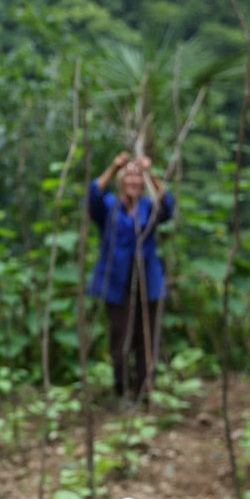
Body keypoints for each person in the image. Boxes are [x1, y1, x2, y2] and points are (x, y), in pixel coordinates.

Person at [88, 151, 173, 401]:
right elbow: (93, 195)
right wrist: (115, 166)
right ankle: (123, 389)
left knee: (145, 337)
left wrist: (151, 172)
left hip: (148, 282)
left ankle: (145, 389)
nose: (134, 182)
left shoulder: (149, 207)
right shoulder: (109, 205)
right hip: (116, 283)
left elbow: (168, 204)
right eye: (129, 177)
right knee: (120, 336)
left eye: (138, 178)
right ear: (122, 181)